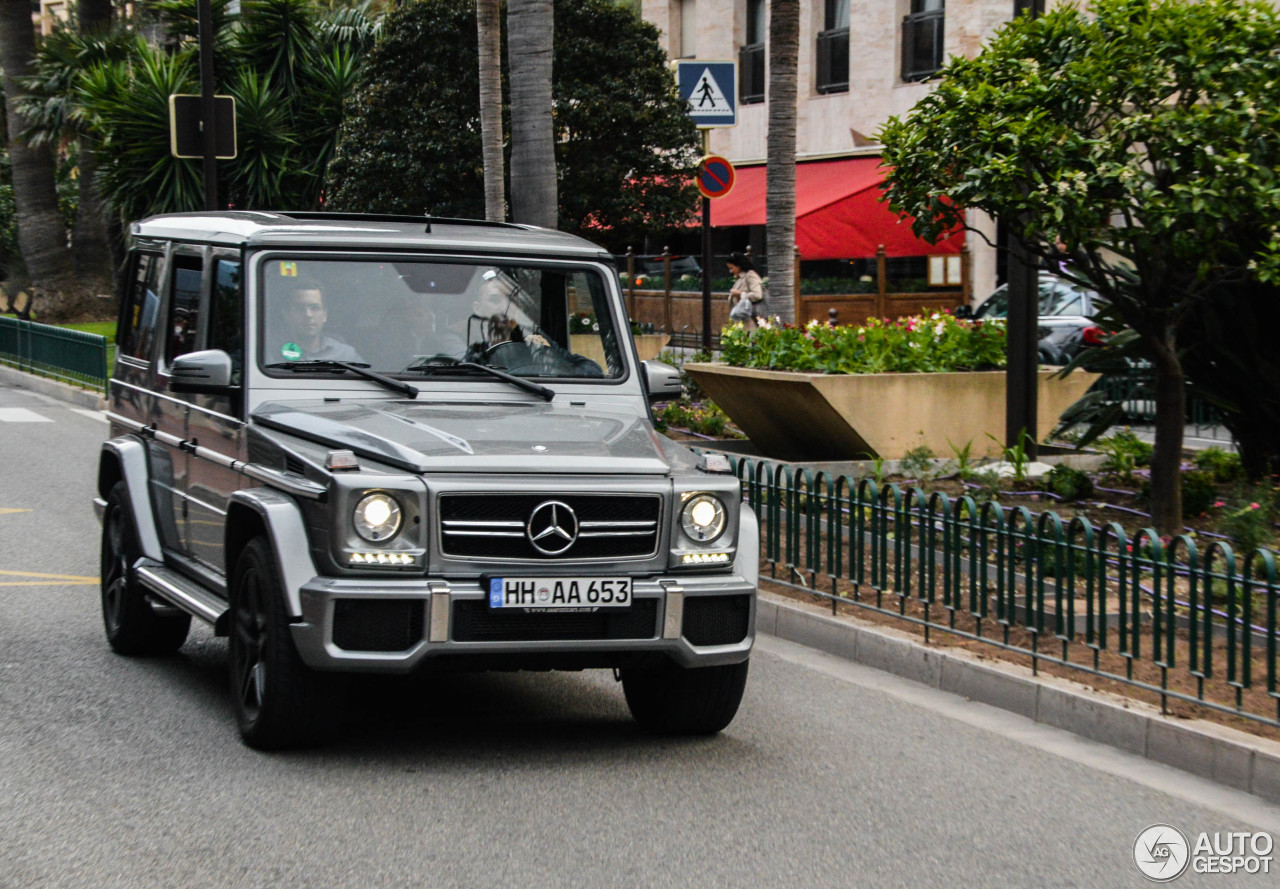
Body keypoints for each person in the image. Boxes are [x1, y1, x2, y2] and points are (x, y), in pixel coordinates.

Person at [466, 267, 603, 377]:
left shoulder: (532, 337)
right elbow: (462, 377)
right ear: (478, 309)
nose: (504, 308)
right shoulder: (466, 344)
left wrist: (551, 358)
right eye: (495, 300)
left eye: (511, 300)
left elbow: (593, 370)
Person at [275, 275, 363, 363]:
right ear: (286, 314)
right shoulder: (269, 354)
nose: (308, 315)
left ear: (325, 314)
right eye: (299, 308)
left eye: (315, 308)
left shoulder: (346, 355)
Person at [388, 293, 466, 366]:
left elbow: (465, 361)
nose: (424, 318)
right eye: (408, 310)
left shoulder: (447, 339)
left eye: (423, 312)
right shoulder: (393, 340)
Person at [727, 252, 764, 330]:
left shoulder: (750, 275)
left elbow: (757, 295)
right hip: (741, 320)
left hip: (750, 320)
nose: (730, 271)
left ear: (738, 266)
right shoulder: (740, 278)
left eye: (732, 268)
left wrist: (740, 294)